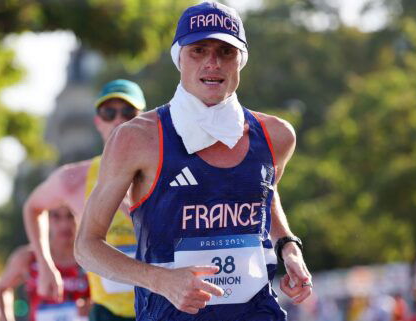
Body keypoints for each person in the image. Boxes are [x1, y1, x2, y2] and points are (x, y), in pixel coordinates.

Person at [75, 2, 313, 320]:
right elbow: (87, 247)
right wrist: (161, 281)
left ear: (241, 59)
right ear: (179, 58)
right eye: (198, 50)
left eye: (226, 51)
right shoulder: (137, 138)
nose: (212, 63)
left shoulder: (277, 136)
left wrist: (288, 247)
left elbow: (264, 196)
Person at [23, 79, 146, 321]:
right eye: (109, 112)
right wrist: (46, 266)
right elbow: (33, 206)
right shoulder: (75, 179)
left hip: (161, 307)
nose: (118, 119)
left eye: (128, 112)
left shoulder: (168, 173)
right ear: (98, 122)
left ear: (144, 119)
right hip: (106, 312)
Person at [0, 206, 90, 321]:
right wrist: (5, 318)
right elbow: (1, 289)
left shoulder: (92, 257)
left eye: (70, 216)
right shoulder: (28, 257)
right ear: (46, 221)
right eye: (56, 217)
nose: (64, 224)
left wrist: (93, 307)